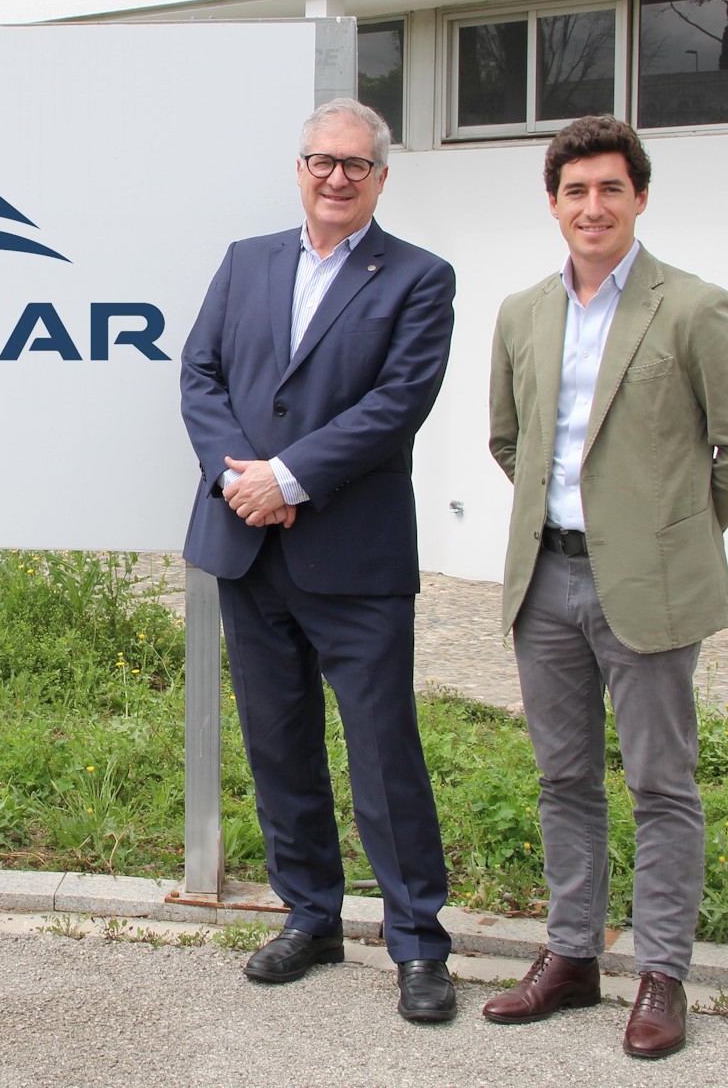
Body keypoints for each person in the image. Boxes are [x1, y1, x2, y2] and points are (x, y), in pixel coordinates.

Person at [484, 115, 728, 1058]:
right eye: (575, 190)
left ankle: (662, 974)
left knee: (662, 783)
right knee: (564, 778)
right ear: (553, 204)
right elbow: (509, 440)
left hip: (648, 589)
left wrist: (667, 535)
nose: (593, 206)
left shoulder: (692, 307)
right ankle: (572, 956)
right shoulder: (522, 312)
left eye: (611, 187)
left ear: (640, 197)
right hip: (546, 583)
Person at [180, 97, 457, 1023]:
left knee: (384, 752)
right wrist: (240, 482)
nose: (337, 177)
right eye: (322, 161)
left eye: (355, 164)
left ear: (381, 177)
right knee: (279, 742)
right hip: (248, 545)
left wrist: (288, 478)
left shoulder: (418, 277)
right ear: (300, 170)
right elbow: (201, 374)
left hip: (354, 556)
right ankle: (310, 915)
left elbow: (398, 402)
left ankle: (418, 941)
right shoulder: (246, 261)